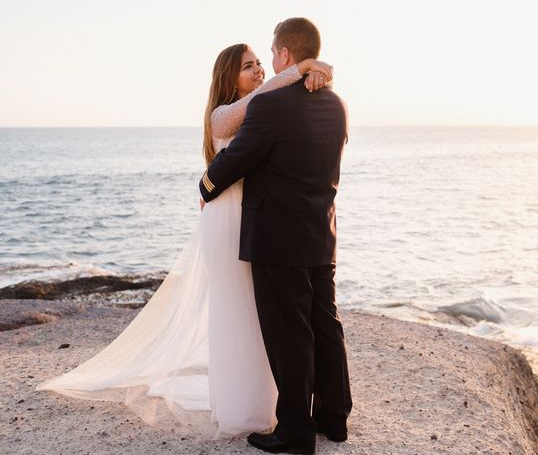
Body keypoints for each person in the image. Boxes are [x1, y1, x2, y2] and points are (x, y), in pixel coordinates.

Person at [36, 39, 334, 439]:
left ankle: (279, 402)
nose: (259, 71)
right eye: (249, 66)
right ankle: (245, 407)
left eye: (261, 62)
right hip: (229, 220)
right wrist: (301, 68)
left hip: (258, 219)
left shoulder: (268, 105)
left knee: (266, 316)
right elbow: (262, 104)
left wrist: (313, 72)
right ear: (228, 76)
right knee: (238, 311)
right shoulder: (223, 116)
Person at [199, 17, 352, 455]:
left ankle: (295, 432)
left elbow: (238, 160)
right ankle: (334, 418)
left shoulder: (270, 107)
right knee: (325, 324)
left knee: (290, 336)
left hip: (276, 238)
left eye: (270, 54)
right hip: (321, 232)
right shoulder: (336, 103)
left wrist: (206, 187)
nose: (267, 62)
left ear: (285, 56)